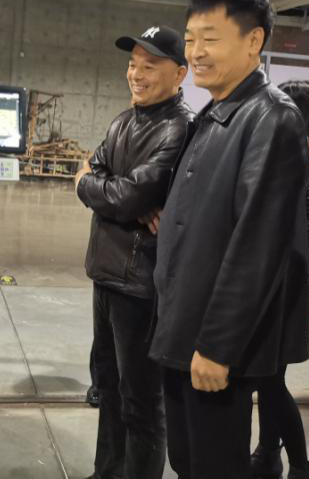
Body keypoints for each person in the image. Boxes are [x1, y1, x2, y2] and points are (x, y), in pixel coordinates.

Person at [148, 0, 309, 479]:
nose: (195, 51)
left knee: (214, 466)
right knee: (186, 461)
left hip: (213, 346)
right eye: (191, 39)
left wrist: (218, 346)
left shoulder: (271, 118)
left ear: (253, 40)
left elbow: (257, 246)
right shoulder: (217, 111)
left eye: (211, 39)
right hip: (183, 329)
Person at [75, 25, 192, 479]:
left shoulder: (180, 128)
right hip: (105, 274)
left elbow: (125, 195)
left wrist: (104, 191)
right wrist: (112, 192)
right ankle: (106, 472)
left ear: (180, 74)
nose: (136, 74)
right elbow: (97, 173)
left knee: (140, 401)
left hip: (141, 284)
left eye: (150, 66)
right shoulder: (123, 121)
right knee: (108, 388)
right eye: (132, 64)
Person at [251, 80, 309, 479]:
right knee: (267, 378)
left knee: (271, 382)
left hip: (288, 290)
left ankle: (300, 466)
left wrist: (265, 240)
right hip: (266, 285)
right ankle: (267, 454)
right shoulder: (285, 155)